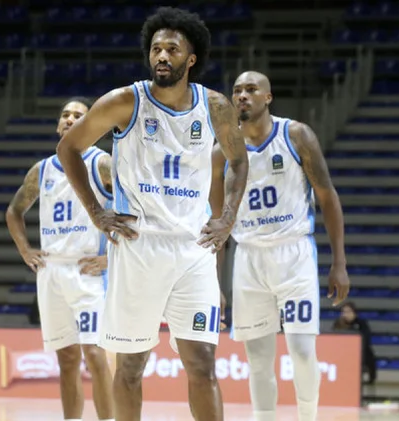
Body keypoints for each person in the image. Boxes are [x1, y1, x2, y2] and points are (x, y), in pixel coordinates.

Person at [55, 7, 249, 421]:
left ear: (190, 59)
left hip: (194, 250)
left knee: (201, 364)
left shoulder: (215, 106)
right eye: (156, 49)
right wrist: (96, 212)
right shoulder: (125, 101)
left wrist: (228, 216)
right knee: (130, 366)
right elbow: (68, 149)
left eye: (172, 50)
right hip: (138, 247)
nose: (162, 56)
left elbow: (239, 161)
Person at [209, 71, 350, 421]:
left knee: (301, 350)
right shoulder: (220, 152)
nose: (242, 95)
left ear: (268, 97)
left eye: (251, 89)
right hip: (248, 258)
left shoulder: (296, 135)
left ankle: (308, 416)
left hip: (294, 253)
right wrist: (214, 284)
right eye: (237, 90)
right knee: (257, 359)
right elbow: (217, 224)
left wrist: (339, 263)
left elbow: (328, 197)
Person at [5, 97, 115, 421]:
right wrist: (25, 250)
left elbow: (137, 208)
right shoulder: (41, 170)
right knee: (66, 359)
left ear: (91, 125)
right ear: (57, 125)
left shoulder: (102, 163)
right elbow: (14, 212)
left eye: (78, 115)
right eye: (65, 115)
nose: (70, 119)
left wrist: (112, 256)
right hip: (52, 271)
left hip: (88, 270)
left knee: (94, 354)